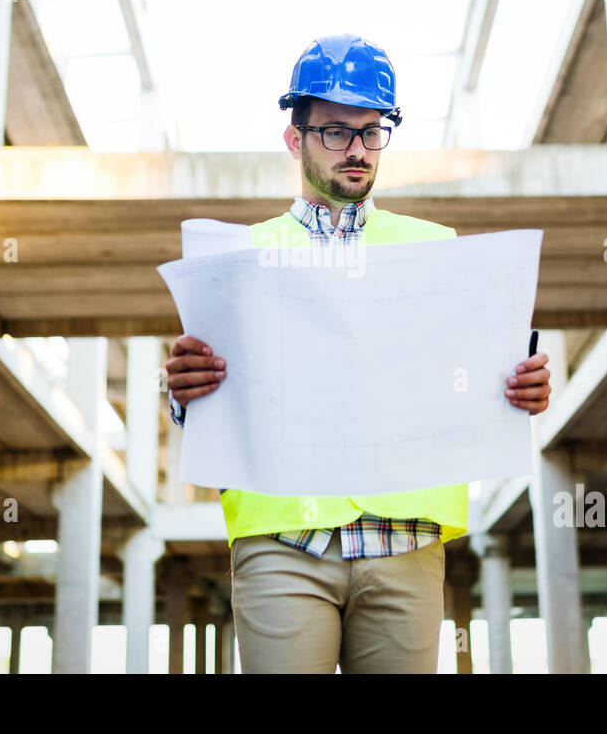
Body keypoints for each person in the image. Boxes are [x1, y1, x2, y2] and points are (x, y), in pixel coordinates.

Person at [165, 33, 551, 673]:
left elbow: (473, 381)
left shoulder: (438, 250)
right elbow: (216, 402)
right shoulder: (241, 259)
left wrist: (522, 390)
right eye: (337, 133)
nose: (357, 151)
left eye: (373, 132)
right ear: (296, 139)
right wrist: (183, 392)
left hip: (403, 541)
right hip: (283, 541)